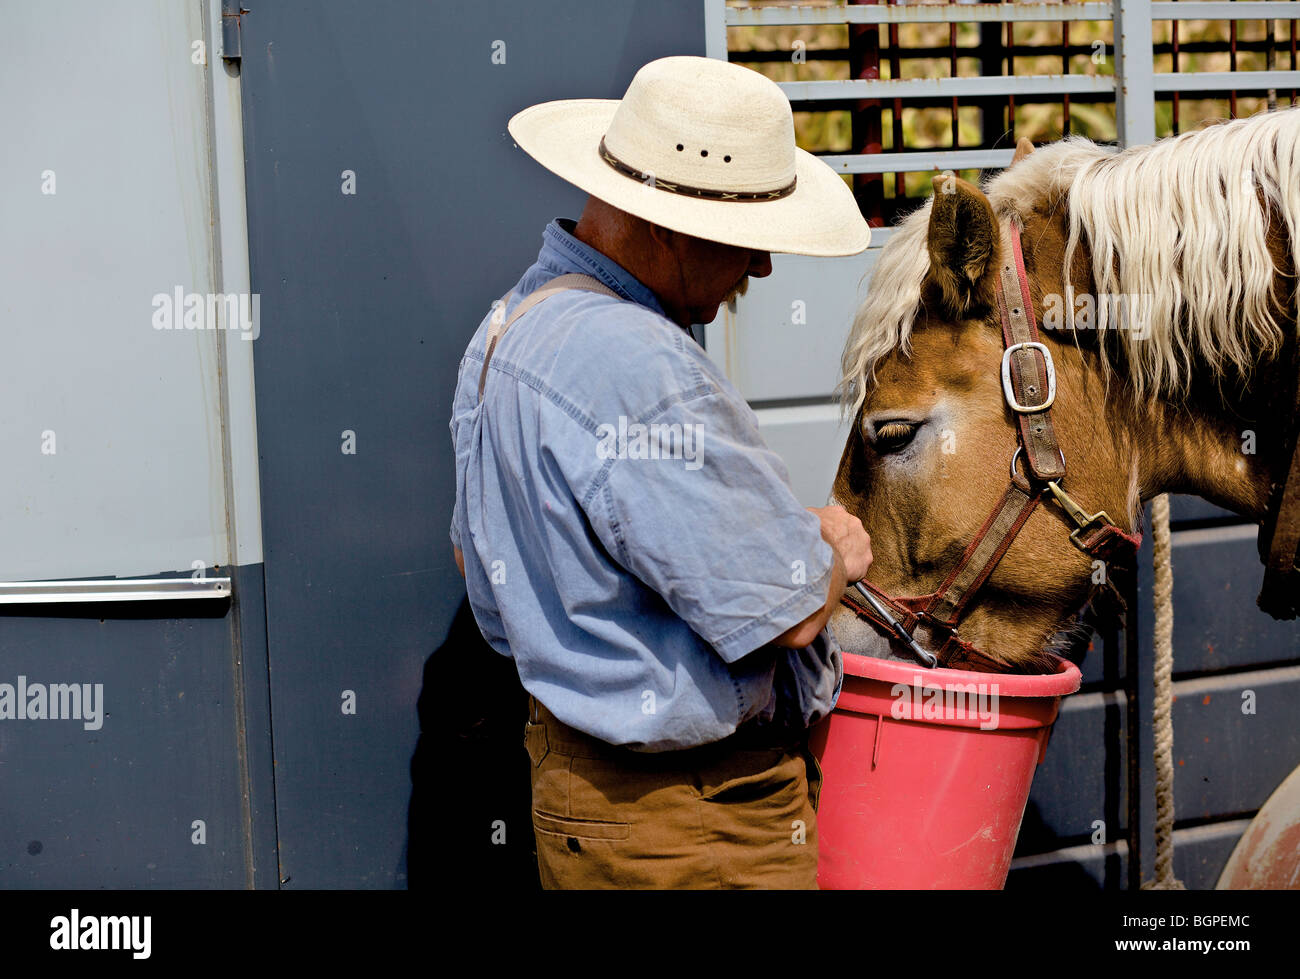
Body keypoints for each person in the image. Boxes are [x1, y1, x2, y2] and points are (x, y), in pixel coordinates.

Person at [448, 55, 873, 889]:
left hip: (582, 795)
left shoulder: (506, 328)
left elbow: (480, 574)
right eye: (749, 243)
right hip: (695, 821)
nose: (763, 271)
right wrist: (830, 548)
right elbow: (778, 612)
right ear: (672, 228)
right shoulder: (641, 365)